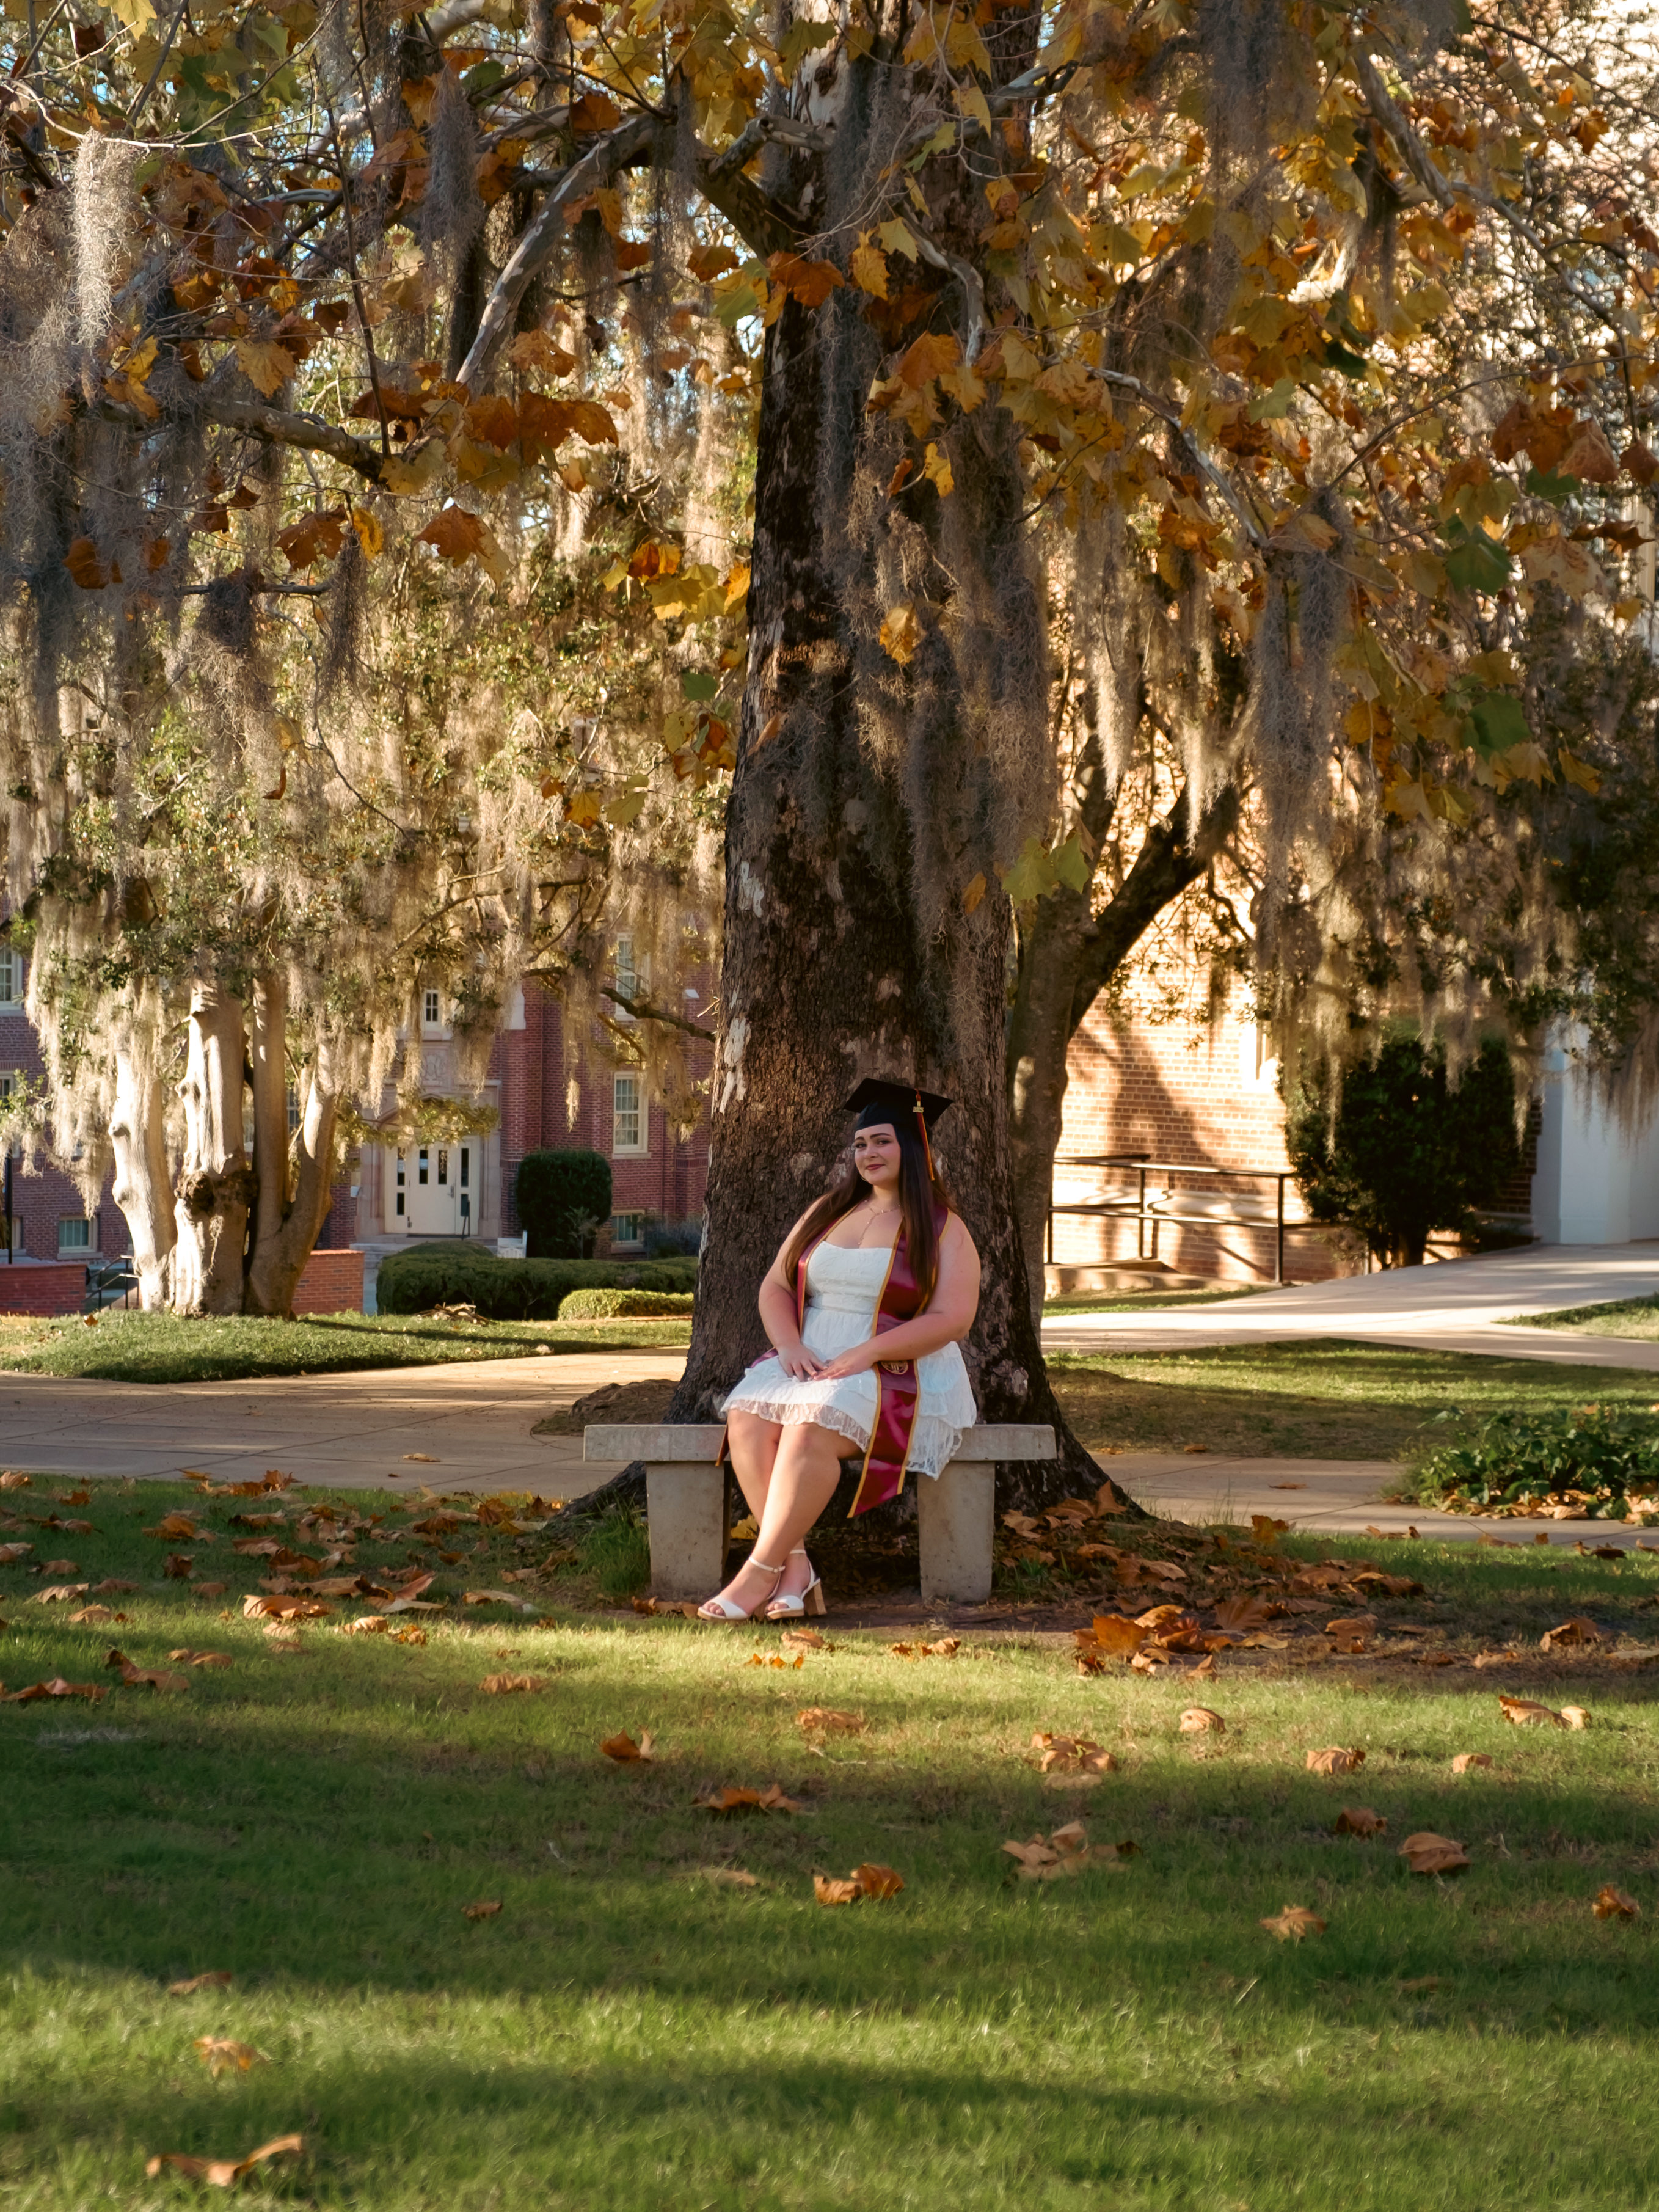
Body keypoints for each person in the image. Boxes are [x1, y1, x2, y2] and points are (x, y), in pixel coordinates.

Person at [699, 1078, 982, 1622]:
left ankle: (758, 1573)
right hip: (810, 1357)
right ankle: (796, 1569)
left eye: (882, 1141)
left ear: (913, 1146)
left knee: (810, 1427)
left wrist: (869, 1352)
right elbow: (775, 1287)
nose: (868, 1154)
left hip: (899, 1366)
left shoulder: (944, 1228)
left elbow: (954, 1317)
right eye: (860, 1144)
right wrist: (788, 1344)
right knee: (746, 1416)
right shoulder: (828, 1210)